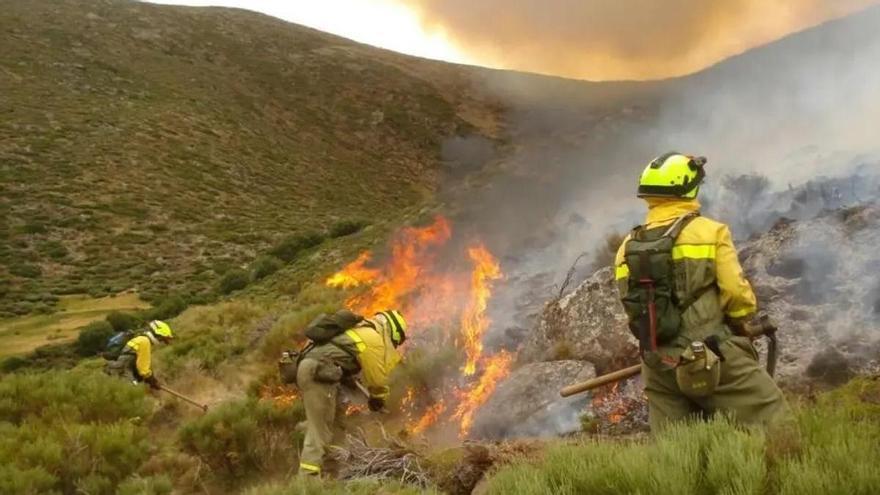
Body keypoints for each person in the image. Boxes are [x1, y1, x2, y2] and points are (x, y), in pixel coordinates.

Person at [614, 152, 787, 431]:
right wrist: (740, 323)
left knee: (676, 447)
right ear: (689, 189)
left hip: (658, 365)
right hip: (712, 354)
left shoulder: (626, 248)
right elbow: (737, 295)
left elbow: (631, 304)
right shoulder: (711, 232)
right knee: (775, 424)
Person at [296, 309, 406, 476]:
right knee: (320, 430)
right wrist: (378, 397)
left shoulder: (359, 330)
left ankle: (331, 474)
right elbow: (376, 376)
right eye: (396, 341)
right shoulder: (373, 337)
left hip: (320, 374)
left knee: (335, 426)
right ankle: (307, 480)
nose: (394, 345)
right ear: (393, 331)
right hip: (318, 375)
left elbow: (342, 362)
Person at [105, 320, 174, 390]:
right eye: (162, 339)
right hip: (122, 372)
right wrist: (152, 381)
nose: (161, 341)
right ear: (157, 335)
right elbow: (143, 370)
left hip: (119, 370)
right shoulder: (145, 342)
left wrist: (151, 380)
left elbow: (140, 365)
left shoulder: (140, 339)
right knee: (133, 391)